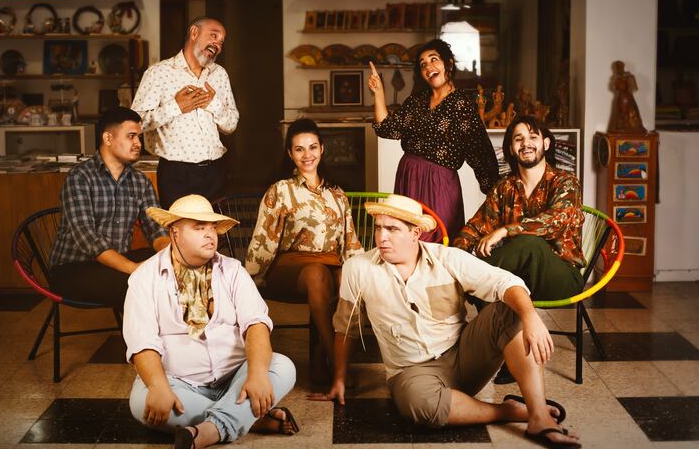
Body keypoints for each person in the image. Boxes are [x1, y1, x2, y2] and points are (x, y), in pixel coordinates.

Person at [309, 194, 582, 449]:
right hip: (411, 372)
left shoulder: (447, 258)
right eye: (378, 227)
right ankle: (507, 411)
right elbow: (346, 326)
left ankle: (539, 416)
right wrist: (339, 379)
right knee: (420, 407)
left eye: (392, 229)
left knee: (510, 310)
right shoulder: (358, 268)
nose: (382, 237)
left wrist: (530, 316)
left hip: (463, 357)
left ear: (415, 233)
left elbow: (505, 282)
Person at [124, 194, 298, 449]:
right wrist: (158, 386)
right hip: (179, 381)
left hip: (234, 376)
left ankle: (208, 431)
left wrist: (257, 374)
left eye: (212, 228)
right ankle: (249, 417)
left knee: (283, 367)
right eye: (199, 227)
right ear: (175, 233)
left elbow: (256, 324)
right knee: (142, 404)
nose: (210, 235)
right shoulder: (144, 278)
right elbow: (142, 341)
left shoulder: (233, 270)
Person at [453, 115, 585, 384]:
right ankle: (507, 349)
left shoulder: (566, 182)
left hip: (560, 277)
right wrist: (454, 257)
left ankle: (480, 297)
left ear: (546, 143)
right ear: (512, 149)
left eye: (533, 137)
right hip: (518, 280)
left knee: (527, 243)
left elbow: (555, 221)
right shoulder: (505, 188)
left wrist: (505, 230)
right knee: (475, 265)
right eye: (518, 139)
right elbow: (476, 227)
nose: (526, 143)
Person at [245, 118, 363, 384]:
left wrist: (361, 272)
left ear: (322, 149)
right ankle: (337, 362)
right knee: (316, 273)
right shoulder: (280, 190)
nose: (307, 155)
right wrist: (250, 279)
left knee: (348, 280)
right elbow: (264, 238)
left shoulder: (337, 193)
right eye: (299, 149)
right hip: (291, 266)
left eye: (312, 147)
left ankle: (324, 353)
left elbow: (350, 240)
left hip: (331, 263)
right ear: (290, 153)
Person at [368, 38, 499, 239]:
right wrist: (378, 93)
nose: (428, 67)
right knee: (406, 240)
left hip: (440, 183)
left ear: (449, 64)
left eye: (434, 59)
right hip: (408, 177)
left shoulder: (462, 105)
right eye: (423, 64)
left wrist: (497, 193)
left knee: (438, 240)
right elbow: (387, 128)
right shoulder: (417, 100)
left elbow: (480, 151)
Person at [49, 106, 170, 311]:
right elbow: (88, 238)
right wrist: (133, 268)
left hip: (117, 263)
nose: (138, 144)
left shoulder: (140, 182)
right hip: (73, 268)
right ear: (107, 138)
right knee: (142, 284)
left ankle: (171, 330)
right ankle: (145, 333)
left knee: (169, 269)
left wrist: (173, 257)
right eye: (131, 136)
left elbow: (156, 229)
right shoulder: (80, 177)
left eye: (139, 137)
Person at [131, 16, 239, 207]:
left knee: (214, 226)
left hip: (216, 170)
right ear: (194, 32)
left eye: (222, 42)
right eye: (214, 36)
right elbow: (134, 124)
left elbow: (231, 125)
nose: (218, 45)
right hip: (176, 174)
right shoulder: (159, 73)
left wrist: (213, 104)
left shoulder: (219, 74)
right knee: (178, 226)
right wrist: (176, 107)